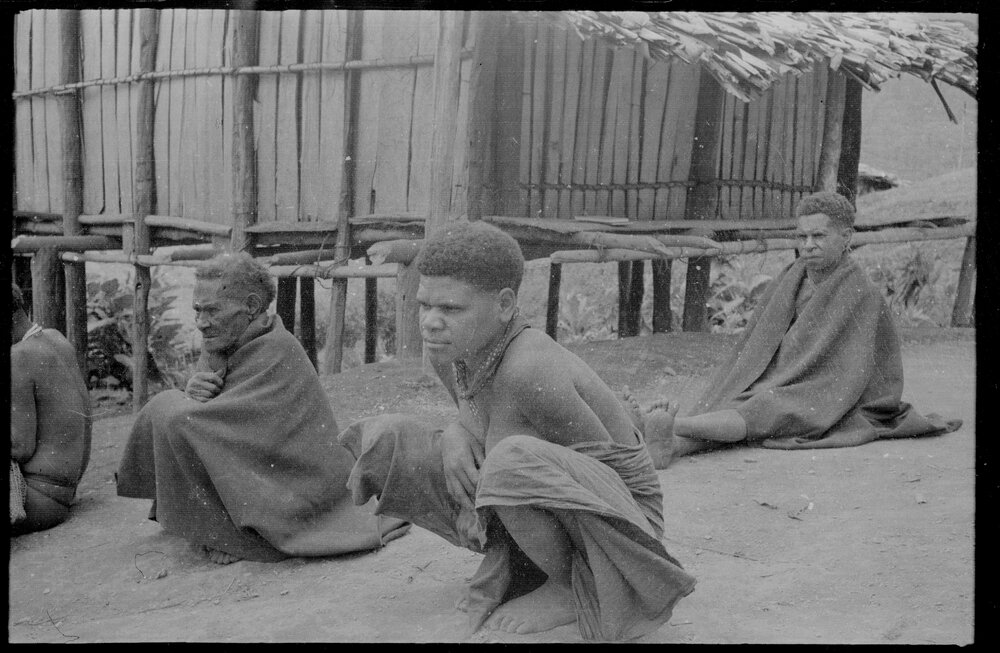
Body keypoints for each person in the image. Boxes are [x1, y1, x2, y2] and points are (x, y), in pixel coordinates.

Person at [337, 222, 695, 641]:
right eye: (424, 305)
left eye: (451, 309)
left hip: (619, 524)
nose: (431, 322)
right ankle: (529, 563)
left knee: (508, 460)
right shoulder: (453, 349)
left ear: (505, 305)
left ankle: (567, 585)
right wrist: (455, 432)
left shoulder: (530, 367)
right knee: (388, 438)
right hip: (529, 503)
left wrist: (488, 579)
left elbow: (610, 481)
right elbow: (478, 417)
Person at [116, 253, 409, 564]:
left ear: (252, 307)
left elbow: (254, 435)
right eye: (198, 310)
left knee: (173, 415)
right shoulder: (220, 342)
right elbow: (216, 414)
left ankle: (232, 536)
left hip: (300, 486)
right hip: (255, 470)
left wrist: (190, 411)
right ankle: (213, 525)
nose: (201, 322)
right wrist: (193, 391)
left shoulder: (279, 349)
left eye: (213, 310)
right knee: (169, 410)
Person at [636, 191, 962, 469]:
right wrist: (765, 376)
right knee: (739, 397)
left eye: (819, 236)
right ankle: (672, 445)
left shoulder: (860, 291)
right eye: (802, 236)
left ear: (846, 237)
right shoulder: (793, 276)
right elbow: (760, 342)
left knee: (767, 406)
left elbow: (844, 368)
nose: (808, 245)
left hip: (836, 391)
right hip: (789, 377)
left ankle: (674, 425)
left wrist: (784, 382)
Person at [10, 283, 92, 535]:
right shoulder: (55, 337)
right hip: (61, 494)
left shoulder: (18, 357)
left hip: (39, 501)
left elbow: (20, 448)